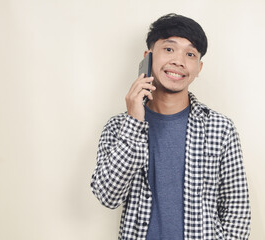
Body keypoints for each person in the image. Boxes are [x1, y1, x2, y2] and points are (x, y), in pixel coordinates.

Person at [91, 13, 251, 240]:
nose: (179, 60)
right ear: (148, 57)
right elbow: (108, 196)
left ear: (199, 67)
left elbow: (237, 211)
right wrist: (134, 122)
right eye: (169, 49)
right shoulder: (119, 127)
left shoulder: (220, 128)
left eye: (190, 54)